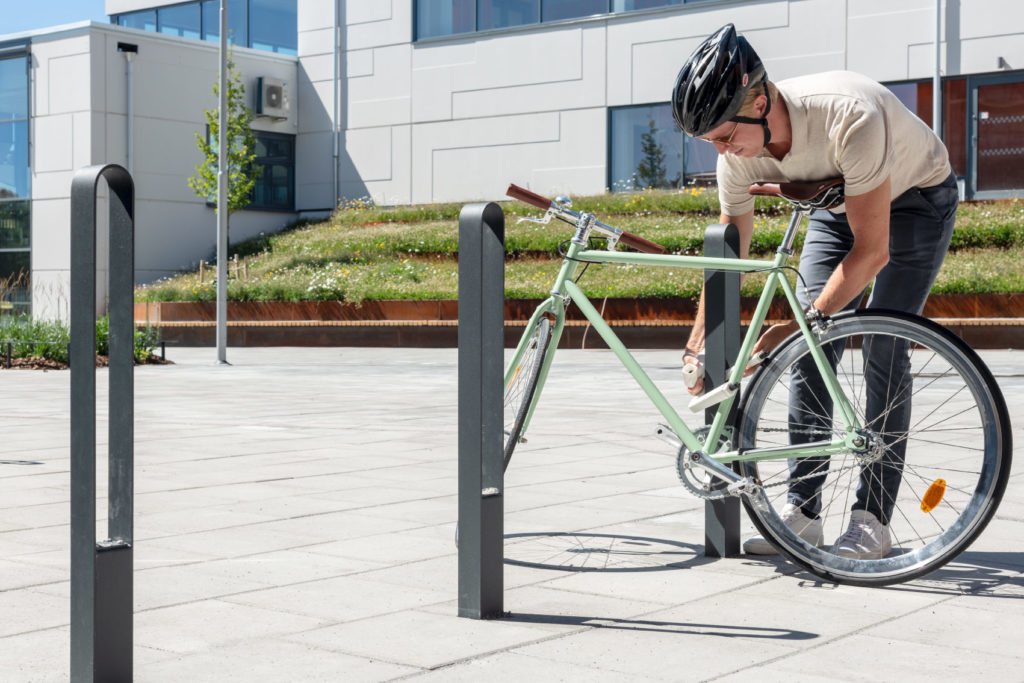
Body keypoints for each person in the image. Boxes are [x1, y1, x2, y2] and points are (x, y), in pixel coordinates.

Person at [671, 24, 958, 559]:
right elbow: (726, 257)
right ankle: (803, 515)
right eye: (710, 141)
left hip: (915, 200)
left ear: (759, 102)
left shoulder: (849, 115)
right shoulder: (734, 155)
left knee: (882, 345)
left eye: (725, 136)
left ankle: (872, 519)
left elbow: (872, 251)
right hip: (836, 204)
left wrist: (797, 325)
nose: (722, 150)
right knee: (810, 353)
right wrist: (696, 345)